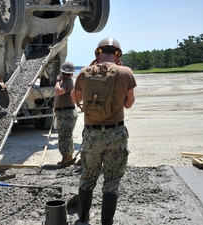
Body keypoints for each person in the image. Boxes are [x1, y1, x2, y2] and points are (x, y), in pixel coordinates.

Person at [71, 37, 136, 225]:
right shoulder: (126, 72)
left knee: (87, 178)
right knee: (112, 181)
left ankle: (83, 220)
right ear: (118, 55)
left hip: (91, 134)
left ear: (97, 54)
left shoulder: (85, 73)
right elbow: (129, 104)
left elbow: (75, 100)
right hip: (116, 133)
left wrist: (88, 72)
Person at [54, 61, 78, 165]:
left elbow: (58, 91)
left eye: (67, 74)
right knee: (65, 136)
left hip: (67, 113)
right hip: (63, 112)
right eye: (65, 74)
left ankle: (66, 158)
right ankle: (68, 157)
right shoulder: (65, 81)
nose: (66, 75)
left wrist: (57, 80)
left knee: (65, 137)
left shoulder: (67, 82)